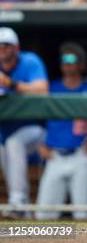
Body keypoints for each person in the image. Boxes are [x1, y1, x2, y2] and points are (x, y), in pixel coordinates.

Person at [35, 42, 87, 220]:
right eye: (64, 60)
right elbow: (36, 119)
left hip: (81, 156)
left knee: (83, 215)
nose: (67, 63)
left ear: (82, 64)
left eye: (72, 59)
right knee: (43, 216)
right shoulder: (51, 89)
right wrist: (39, 143)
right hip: (54, 156)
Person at [0, 27, 48, 217]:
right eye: (0, 46)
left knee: (14, 142)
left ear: (16, 48)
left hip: (35, 129)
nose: (2, 49)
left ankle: (18, 201)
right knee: (5, 148)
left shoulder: (30, 61)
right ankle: (21, 207)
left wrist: (11, 83)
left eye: (6, 46)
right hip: (4, 130)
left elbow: (42, 89)